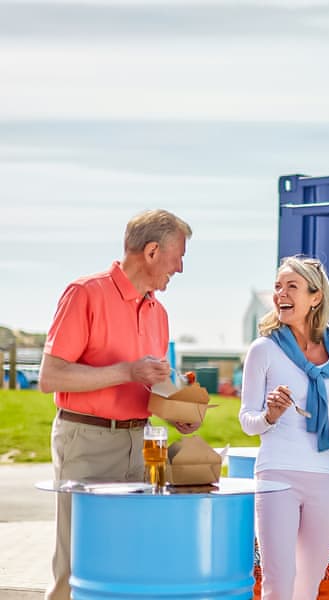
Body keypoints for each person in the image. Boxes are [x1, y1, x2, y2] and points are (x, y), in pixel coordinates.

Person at [39, 209, 198, 600]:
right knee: (77, 564)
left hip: (143, 444)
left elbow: (151, 384)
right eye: (178, 256)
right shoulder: (85, 293)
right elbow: (51, 377)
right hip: (87, 441)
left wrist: (179, 409)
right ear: (152, 251)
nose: (180, 268)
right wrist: (127, 371)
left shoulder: (159, 313)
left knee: (130, 559)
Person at [239, 255, 329, 600]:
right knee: (278, 583)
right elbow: (247, 421)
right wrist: (270, 415)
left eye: (291, 286)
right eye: (278, 286)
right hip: (277, 475)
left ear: (315, 297)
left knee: (308, 586)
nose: (281, 294)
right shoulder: (264, 350)